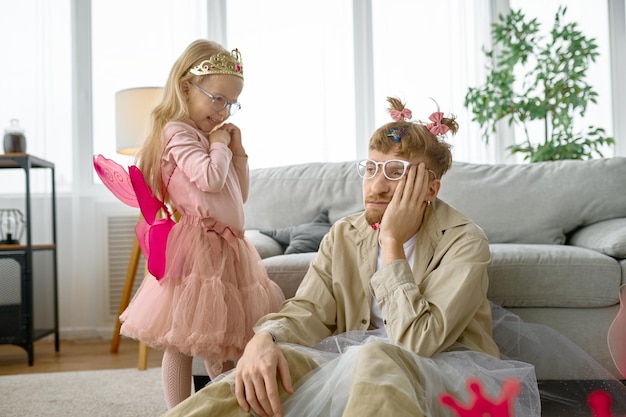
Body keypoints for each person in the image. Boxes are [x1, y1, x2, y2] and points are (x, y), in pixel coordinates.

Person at [160, 97, 542, 417]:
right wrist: (265, 338)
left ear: (430, 187)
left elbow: (419, 343)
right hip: (351, 365)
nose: (376, 185)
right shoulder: (346, 233)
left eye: (396, 172)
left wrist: (391, 242)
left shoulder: (464, 241)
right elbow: (308, 309)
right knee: (268, 366)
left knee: (376, 355)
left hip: (442, 373)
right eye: (371, 168)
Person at [118, 39, 285, 408]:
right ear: (185, 88)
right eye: (218, 99)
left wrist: (237, 151)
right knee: (182, 340)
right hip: (198, 247)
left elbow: (238, 193)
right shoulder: (178, 133)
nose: (225, 111)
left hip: (229, 247)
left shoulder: (210, 138)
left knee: (227, 339)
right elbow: (208, 178)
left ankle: (222, 407)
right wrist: (220, 145)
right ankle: (178, 411)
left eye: (231, 103)